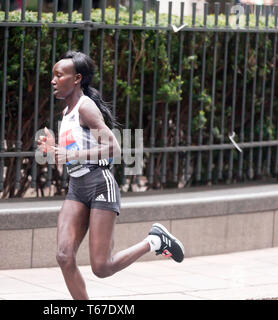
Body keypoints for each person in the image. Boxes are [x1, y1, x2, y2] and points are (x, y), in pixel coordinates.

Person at [37, 50, 185, 300]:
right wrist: (54, 151)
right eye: (53, 75)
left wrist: (71, 155)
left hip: (99, 185)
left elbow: (114, 148)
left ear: (77, 79)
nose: (53, 80)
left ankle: (155, 241)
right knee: (64, 256)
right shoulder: (66, 113)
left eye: (59, 75)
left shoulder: (86, 107)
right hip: (77, 188)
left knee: (102, 267)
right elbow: (73, 154)